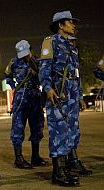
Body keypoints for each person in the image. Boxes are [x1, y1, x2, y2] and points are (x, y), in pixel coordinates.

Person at [39, 10, 92, 187]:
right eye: (70, 22)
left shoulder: (71, 46)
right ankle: (58, 172)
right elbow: (44, 68)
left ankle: (70, 165)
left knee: (72, 131)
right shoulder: (50, 42)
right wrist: (47, 89)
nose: (74, 25)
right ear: (60, 25)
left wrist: (79, 96)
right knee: (58, 132)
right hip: (58, 96)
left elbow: (76, 74)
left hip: (71, 96)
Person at [4, 40, 47, 169]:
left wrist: (32, 63)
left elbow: (43, 76)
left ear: (31, 50)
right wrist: (13, 87)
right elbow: (7, 76)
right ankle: (19, 159)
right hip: (21, 97)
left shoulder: (38, 62)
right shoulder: (13, 62)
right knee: (18, 127)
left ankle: (35, 157)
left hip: (35, 96)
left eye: (26, 53)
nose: (24, 57)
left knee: (37, 126)